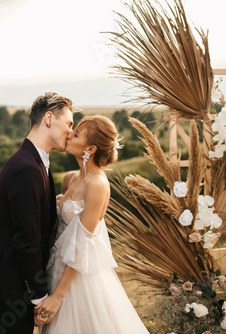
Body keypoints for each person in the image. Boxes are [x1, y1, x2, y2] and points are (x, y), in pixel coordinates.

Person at [35, 115, 149, 333]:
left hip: (79, 278)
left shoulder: (97, 185)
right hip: (55, 270)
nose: (69, 134)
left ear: (91, 148)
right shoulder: (70, 178)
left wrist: (58, 296)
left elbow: (82, 243)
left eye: (76, 134)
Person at [0, 92, 74, 334]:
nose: (71, 132)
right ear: (49, 118)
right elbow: (27, 240)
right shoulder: (26, 168)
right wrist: (39, 295)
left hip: (17, 282)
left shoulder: (37, 162)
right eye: (69, 123)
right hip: (12, 286)